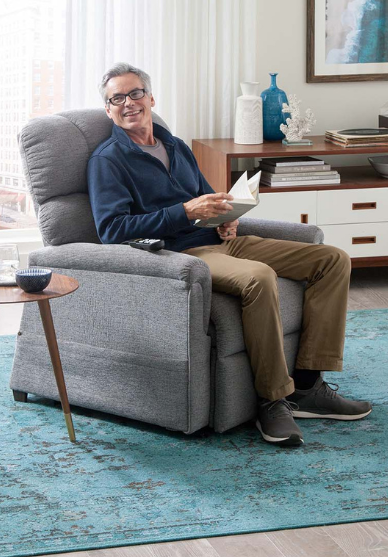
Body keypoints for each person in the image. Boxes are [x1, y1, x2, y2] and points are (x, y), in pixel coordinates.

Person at [86, 62, 372, 446]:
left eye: (135, 93)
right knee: (258, 277)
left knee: (331, 259)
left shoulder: (176, 146)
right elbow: (112, 231)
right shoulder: (107, 161)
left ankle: (307, 386)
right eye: (116, 98)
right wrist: (187, 212)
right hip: (180, 255)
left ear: (151, 98)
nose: (128, 103)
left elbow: (210, 198)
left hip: (219, 240)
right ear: (108, 110)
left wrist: (226, 217)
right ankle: (273, 401)